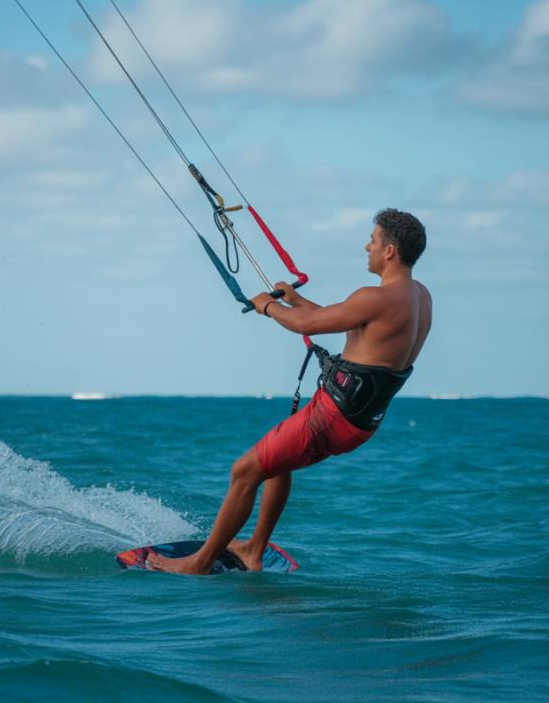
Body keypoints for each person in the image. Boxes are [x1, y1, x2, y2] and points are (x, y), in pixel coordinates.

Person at [148, 208, 432, 575]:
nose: (368, 246)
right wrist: (293, 301)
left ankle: (197, 564)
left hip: (331, 416)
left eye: (373, 240)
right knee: (278, 465)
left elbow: (310, 325)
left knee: (245, 470)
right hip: (360, 422)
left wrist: (268, 307)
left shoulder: (375, 297)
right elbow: (344, 321)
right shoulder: (419, 297)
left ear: (390, 250)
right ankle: (253, 549)